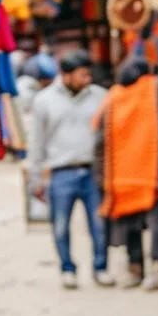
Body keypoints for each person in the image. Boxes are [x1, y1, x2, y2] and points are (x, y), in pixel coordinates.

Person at [30, 49, 112, 289]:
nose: (87, 79)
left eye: (89, 74)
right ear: (65, 75)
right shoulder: (43, 100)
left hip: (92, 171)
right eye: (82, 75)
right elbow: (36, 142)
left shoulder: (101, 96)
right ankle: (67, 268)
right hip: (60, 173)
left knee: (99, 224)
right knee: (60, 225)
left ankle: (101, 267)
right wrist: (35, 179)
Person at [94, 58, 158, 290]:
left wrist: (103, 177)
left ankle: (134, 268)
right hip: (154, 173)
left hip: (123, 176)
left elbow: (99, 139)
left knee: (131, 223)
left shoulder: (111, 99)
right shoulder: (154, 90)